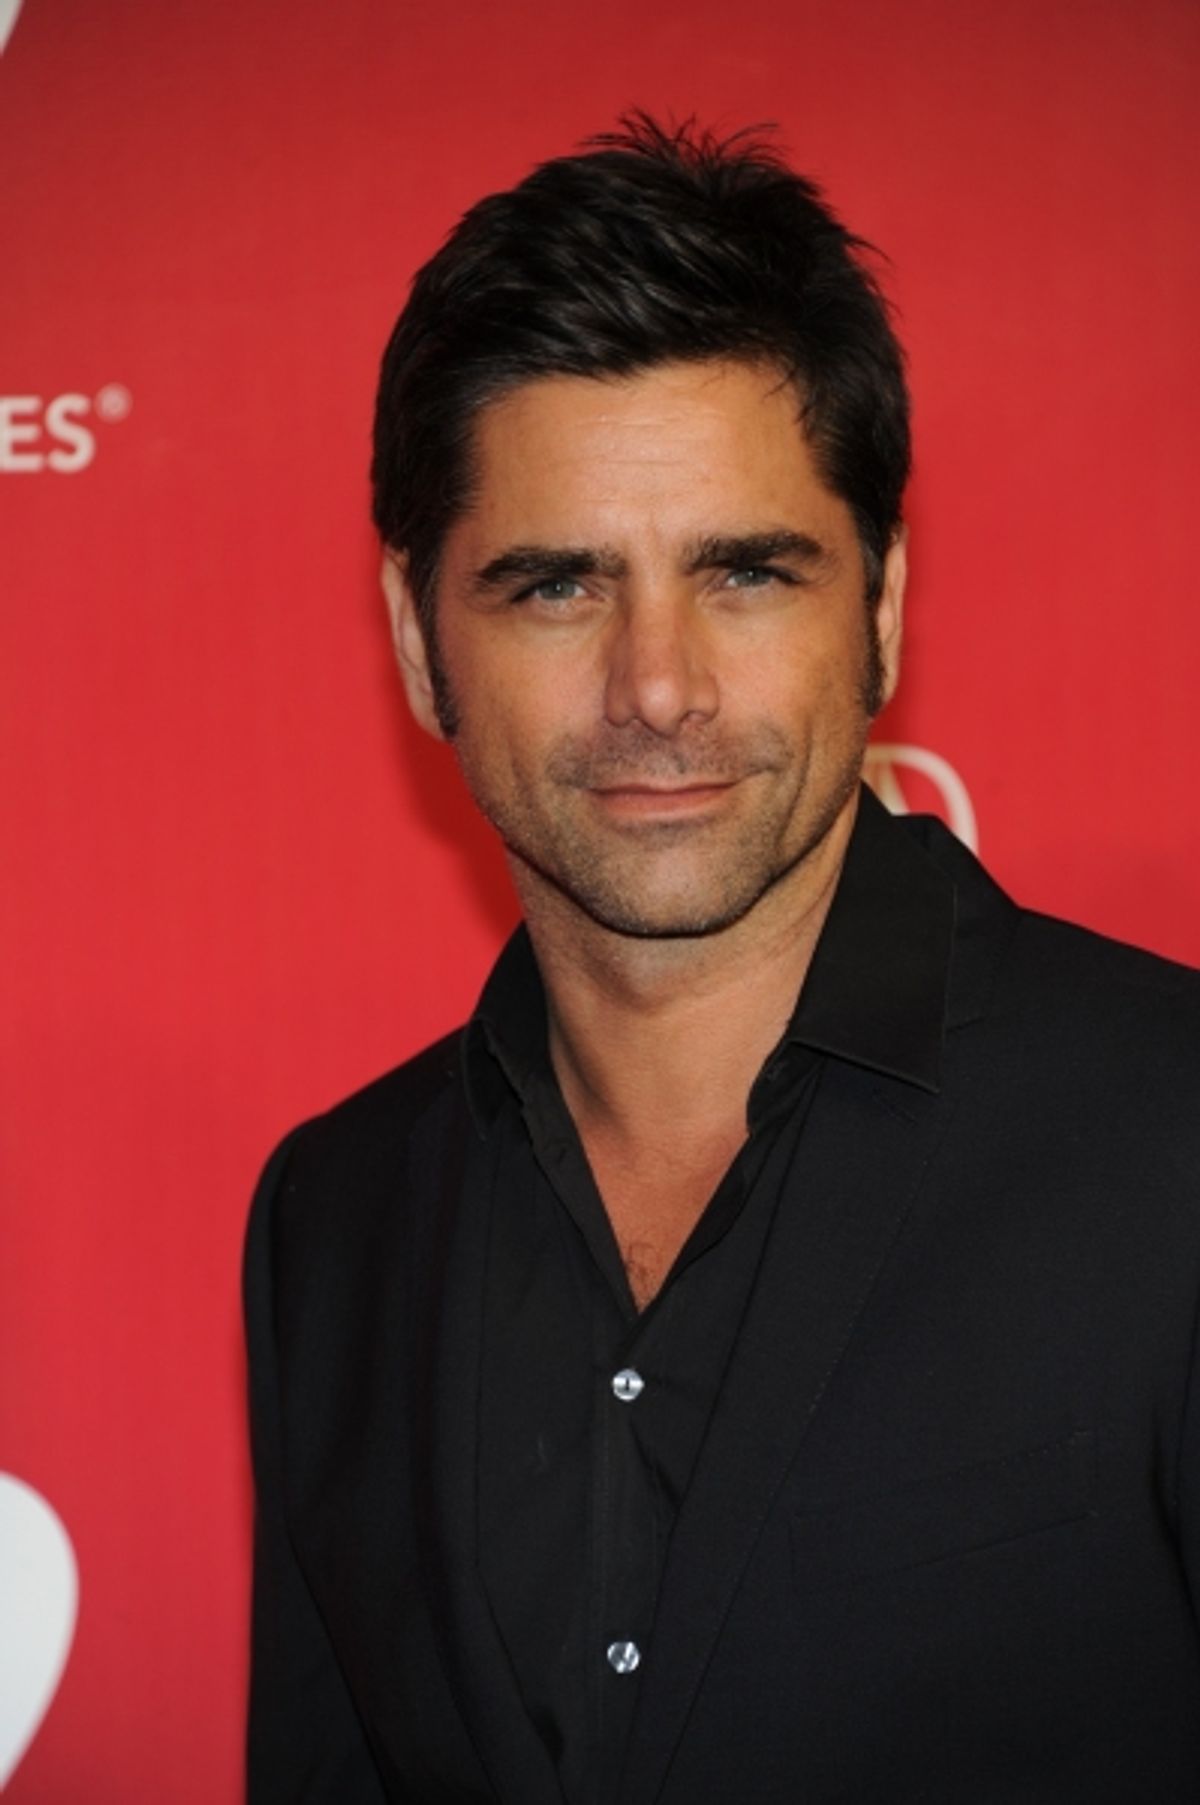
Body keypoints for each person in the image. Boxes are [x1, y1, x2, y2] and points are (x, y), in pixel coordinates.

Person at [243, 117, 1200, 1804]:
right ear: (418, 640)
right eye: (556, 587)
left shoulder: (1173, 1132)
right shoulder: (334, 1220)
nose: (658, 685)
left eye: (747, 572)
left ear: (884, 604)